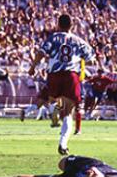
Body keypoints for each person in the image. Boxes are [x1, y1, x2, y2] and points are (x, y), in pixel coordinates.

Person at [28, 14, 97, 155]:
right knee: (68, 113)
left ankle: (54, 110)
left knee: (53, 99)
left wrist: (33, 66)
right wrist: (78, 60)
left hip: (54, 75)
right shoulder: (79, 41)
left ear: (58, 24)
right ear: (71, 26)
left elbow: (41, 53)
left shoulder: (53, 38)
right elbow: (91, 60)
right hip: (71, 75)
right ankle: (63, 144)